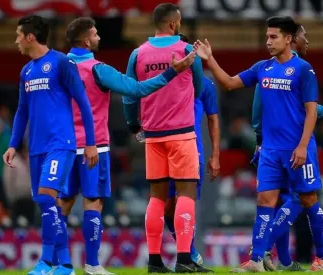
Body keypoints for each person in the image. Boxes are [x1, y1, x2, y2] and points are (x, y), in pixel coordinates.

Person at [55, 17, 195, 275]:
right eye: (95, 34)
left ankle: (57, 264)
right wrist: (171, 72)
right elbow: (136, 89)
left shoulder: (56, 66)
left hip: (62, 147)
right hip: (93, 146)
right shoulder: (98, 68)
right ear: (86, 40)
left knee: (62, 204)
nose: (99, 38)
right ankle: (93, 264)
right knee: (93, 203)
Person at [193, 16, 323, 272]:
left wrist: (302, 145)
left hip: (298, 148)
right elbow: (229, 83)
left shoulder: (303, 69)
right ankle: (256, 260)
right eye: (267, 37)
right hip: (270, 151)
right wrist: (210, 59)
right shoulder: (262, 67)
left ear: (288, 39)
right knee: (265, 201)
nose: (268, 41)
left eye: (274, 36)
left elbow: (311, 112)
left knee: (308, 200)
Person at [249, 23, 323, 271]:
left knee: (290, 200)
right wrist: (259, 140)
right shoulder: (271, 69)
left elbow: (308, 109)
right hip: (276, 146)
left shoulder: (299, 70)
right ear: (292, 39)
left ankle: (278, 257)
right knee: (292, 199)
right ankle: (275, 255)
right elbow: (259, 108)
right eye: (304, 36)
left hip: (288, 145)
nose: (307, 40)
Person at [2, 15, 99, 275]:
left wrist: (90, 143)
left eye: (18, 35)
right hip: (36, 147)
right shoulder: (26, 71)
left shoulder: (61, 62)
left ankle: (52, 262)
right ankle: (59, 264)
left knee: (46, 198)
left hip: (61, 143)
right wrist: (13, 144)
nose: (16, 41)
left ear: (30, 37)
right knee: (48, 203)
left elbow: (83, 103)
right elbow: (22, 111)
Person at [123, 3, 205, 273]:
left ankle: (154, 261)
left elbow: (129, 95)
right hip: (181, 133)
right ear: (174, 24)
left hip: (153, 135)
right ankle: (183, 259)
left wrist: (134, 125)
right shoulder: (186, 51)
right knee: (186, 194)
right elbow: (200, 87)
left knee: (156, 198)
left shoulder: (137, 54)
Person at [163, 33, 220, 273]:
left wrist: (215, 155)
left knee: (185, 201)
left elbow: (213, 119)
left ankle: (189, 253)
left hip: (191, 148)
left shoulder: (204, 83)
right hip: (163, 146)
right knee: (166, 206)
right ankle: (185, 251)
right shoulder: (164, 79)